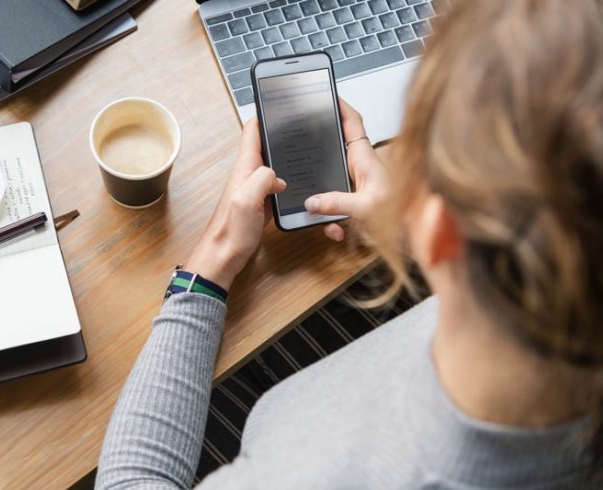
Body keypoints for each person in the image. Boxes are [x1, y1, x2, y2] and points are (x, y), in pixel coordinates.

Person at [96, 0, 603, 487]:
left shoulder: (325, 474)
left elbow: (130, 483)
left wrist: (213, 260)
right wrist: (408, 229)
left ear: (442, 225)